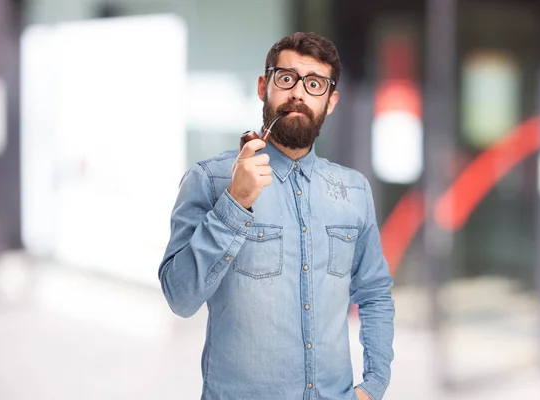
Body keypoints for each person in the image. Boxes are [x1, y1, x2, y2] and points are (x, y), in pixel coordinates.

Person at [158, 32, 395, 400]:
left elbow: (375, 293)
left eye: (314, 84)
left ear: (331, 101)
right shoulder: (210, 180)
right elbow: (180, 298)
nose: (298, 93)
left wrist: (374, 385)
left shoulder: (354, 190)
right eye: (287, 79)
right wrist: (235, 203)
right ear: (263, 86)